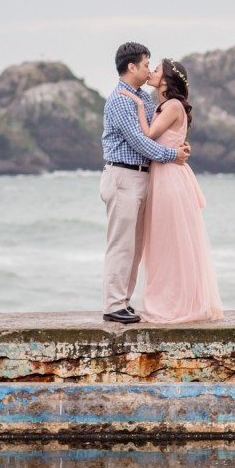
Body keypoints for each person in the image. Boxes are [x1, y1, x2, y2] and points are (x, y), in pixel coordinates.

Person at [119, 58, 223, 324]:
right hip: (164, 176)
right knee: (163, 243)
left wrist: (137, 103)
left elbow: (148, 134)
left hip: (170, 180)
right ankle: (171, 300)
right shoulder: (164, 106)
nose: (151, 72)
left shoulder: (173, 105)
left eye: (156, 70)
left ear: (165, 80)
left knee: (170, 243)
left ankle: (176, 305)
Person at [101, 42, 190, 325]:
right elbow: (140, 141)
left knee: (135, 246)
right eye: (145, 64)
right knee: (121, 244)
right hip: (123, 176)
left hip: (141, 176)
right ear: (132, 67)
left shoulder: (142, 97)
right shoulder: (120, 100)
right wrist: (173, 155)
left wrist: (177, 144)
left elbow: (157, 130)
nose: (149, 69)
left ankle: (123, 302)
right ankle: (113, 304)